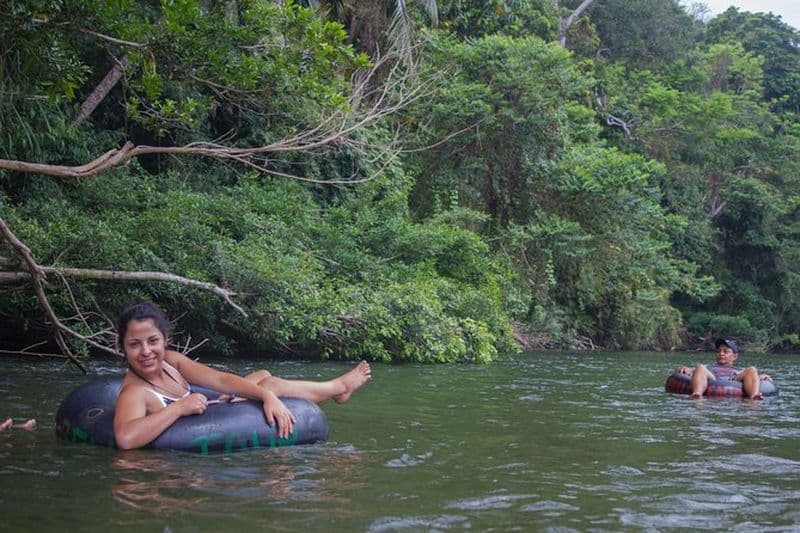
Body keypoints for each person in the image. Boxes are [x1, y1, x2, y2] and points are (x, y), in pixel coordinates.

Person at [113, 302, 371, 450]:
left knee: (264, 378)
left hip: (212, 408)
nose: (146, 351)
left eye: (153, 341)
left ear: (164, 340)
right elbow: (125, 438)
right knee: (271, 385)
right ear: (122, 347)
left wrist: (265, 396)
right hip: (193, 429)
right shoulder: (135, 392)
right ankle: (337, 388)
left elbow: (220, 380)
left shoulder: (172, 361)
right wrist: (179, 408)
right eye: (134, 344)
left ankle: (337, 389)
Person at [675, 338, 772, 400]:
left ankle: (754, 396)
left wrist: (762, 376)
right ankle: (697, 394)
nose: (721, 354)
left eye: (725, 351)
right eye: (719, 351)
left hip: (733, 379)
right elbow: (694, 372)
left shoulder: (739, 370)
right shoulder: (708, 367)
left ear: (735, 356)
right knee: (699, 366)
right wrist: (685, 369)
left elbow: (751, 376)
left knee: (752, 368)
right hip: (713, 378)